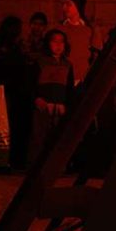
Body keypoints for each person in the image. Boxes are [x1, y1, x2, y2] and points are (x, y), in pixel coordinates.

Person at [0, 17, 37, 169]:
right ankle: (14, 159)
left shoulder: (14, 49)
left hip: (18, 93)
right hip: (14, 93)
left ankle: (16, 160)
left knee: (18, 127)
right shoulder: (9, 51)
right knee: (16, 127)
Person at [30, 30, 74, 165]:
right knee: (39, 137)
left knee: (57, 138)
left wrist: (67, 105)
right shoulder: (40, 62)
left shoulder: (67, 65)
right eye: (54, 41)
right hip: (43, 106)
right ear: (48, 43)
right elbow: (30, 84)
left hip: (59, 107)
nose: (58, 45)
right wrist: (36, 98)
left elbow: (69, 88)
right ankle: (35, 166)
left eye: (61, 42)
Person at [59, 0, 102, 86]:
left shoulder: (90, 29)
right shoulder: (60, 28)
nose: (64, 7)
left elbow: (97, 55)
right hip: (63, 79)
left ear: (78, 5)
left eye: (68, 4)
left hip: (82, 79)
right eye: (63, 4)